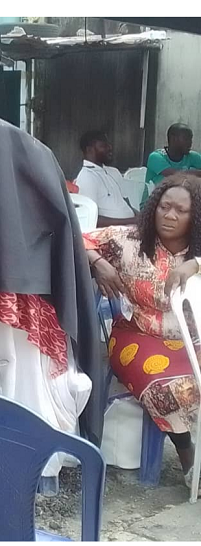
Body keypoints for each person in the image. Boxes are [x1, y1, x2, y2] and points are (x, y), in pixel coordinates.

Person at [84, 174, 201, 488]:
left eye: (181, 210)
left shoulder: (196, 250)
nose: (170, 215)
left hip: (192, 341)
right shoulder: (129, 240)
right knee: (171, 387)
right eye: (164, 206)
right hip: (137, 335)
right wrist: (97, 261)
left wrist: (195, 264)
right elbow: (76, 235)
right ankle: (188, 454)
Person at [75, 131, 137, 227]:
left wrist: (142, 218)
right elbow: (92, 219)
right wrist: (132, 220)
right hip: (111, 233)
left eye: (109, 145)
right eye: (103, 146)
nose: (110, 148)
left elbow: (127, 203)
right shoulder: (87, 177)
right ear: (89, 150)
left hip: (131, 226)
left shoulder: (113, 172)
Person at [143, 123, 201, 206]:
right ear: (173, 139)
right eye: (186, 139)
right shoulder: (156, 157)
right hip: (153, 205)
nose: (190, 143)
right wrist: (196, 174)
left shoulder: (192, 156)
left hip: (181, 203)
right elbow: (174, 175)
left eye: (191, 139)